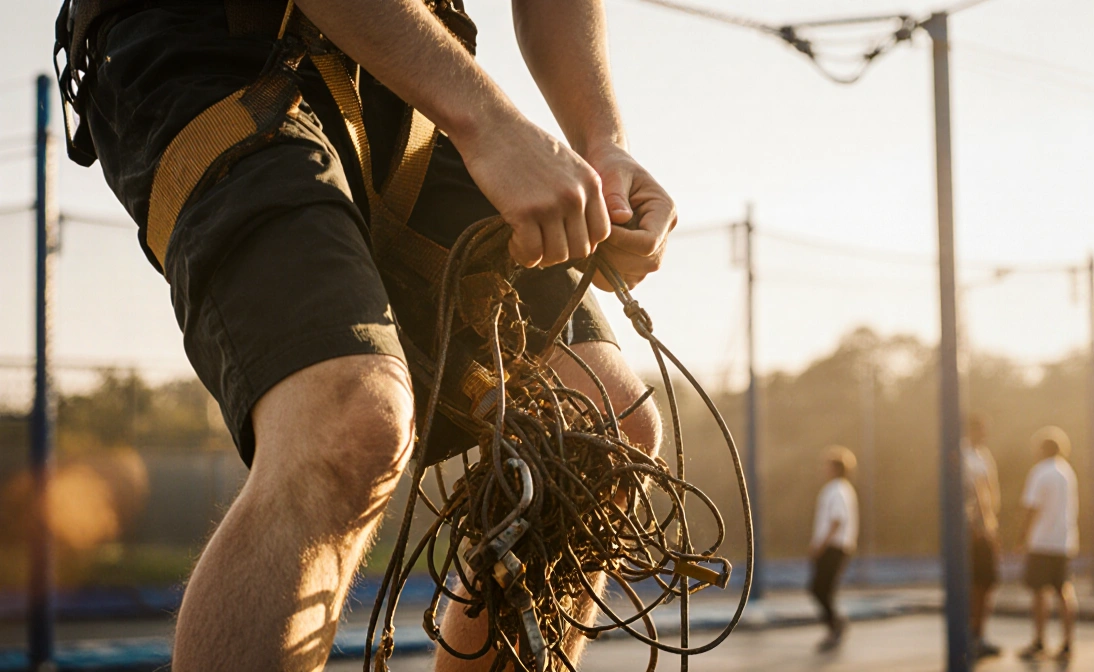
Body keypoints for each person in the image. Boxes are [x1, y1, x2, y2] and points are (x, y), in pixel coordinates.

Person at [59, 0, 673, 669]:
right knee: (350, 417)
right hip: (213, 44)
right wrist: (489, 122)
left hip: (405, 59)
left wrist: (602, 140)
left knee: (603, 429)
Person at [1017, 426, 1079, 663]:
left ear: (1042, 448)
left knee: (1039, 592)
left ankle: (1039, 641)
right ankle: (1067, 642)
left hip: (1042, 541)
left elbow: (1031, 508)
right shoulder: (1067, 472)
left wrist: (1021, 537)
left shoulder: (1040, 472)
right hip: (1064, 541)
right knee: (1063, 591)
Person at [809, 445, 859, 652]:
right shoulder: (843, 489)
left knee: (820, 588)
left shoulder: (836, 490)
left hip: (834, 547)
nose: (824, 469)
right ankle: (835, 626)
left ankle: (836, 626)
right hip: (838, 546)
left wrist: (820, 545)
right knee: (823, 589)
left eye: (828, 465)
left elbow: (837, 520)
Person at [962, 413, 1002, 659]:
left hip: (985, 527)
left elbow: (990, 492)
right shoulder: (966, 456)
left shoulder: (982, 455)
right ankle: (971, 636)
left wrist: (992, 525)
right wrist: (982, 526)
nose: (984, 435)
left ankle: (978, 635)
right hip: (975, 529)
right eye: (980, 430)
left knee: (986, 584)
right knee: (977, 583)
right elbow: (979, 493)